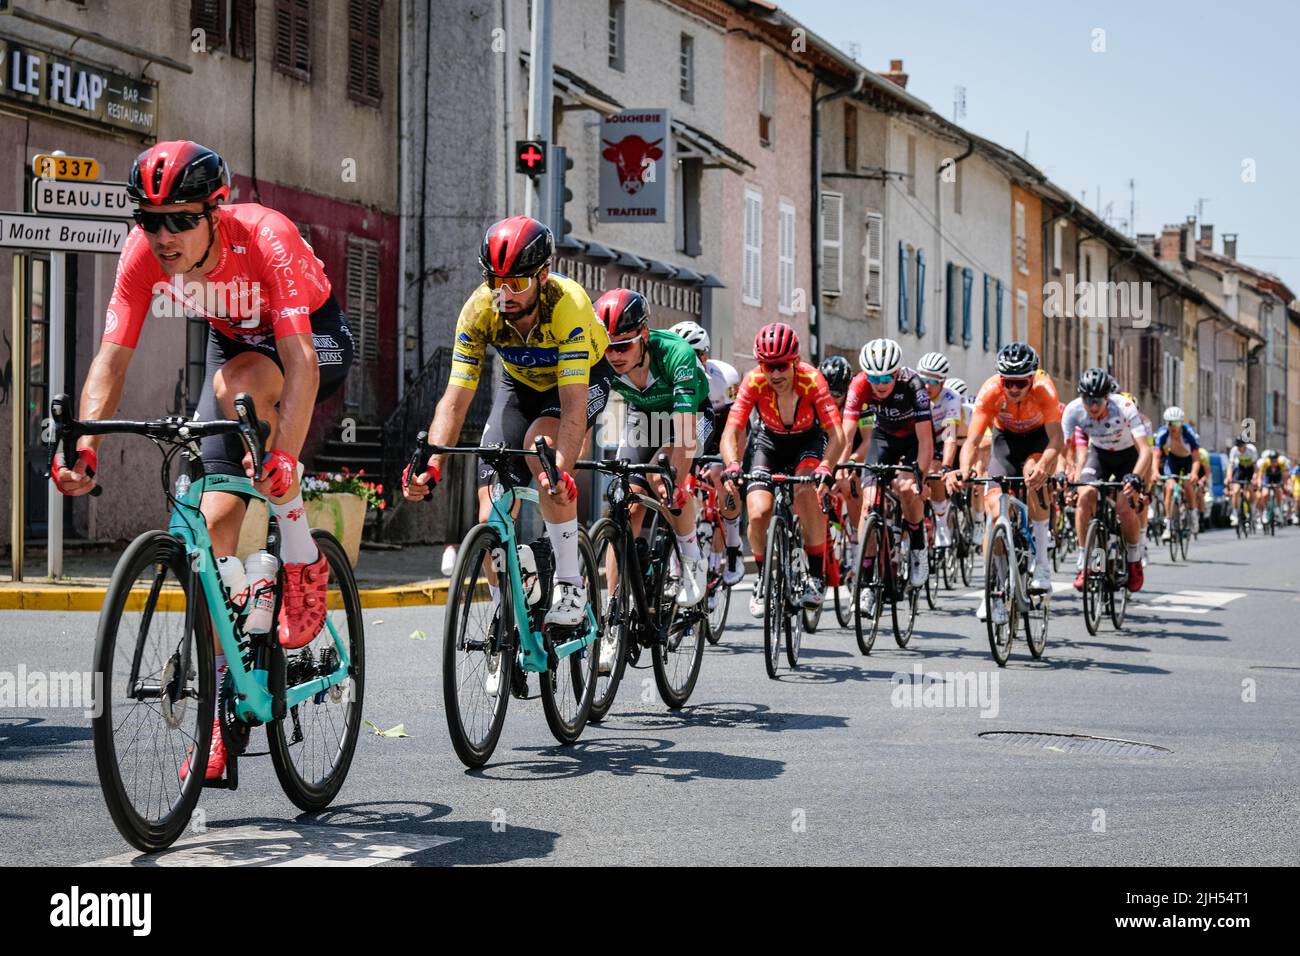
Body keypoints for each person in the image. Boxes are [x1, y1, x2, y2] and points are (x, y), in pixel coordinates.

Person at [51, 140, 356, 780]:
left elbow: (299, 360)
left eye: (181, 219)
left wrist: (288, 459)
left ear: (215, 212)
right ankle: (221, 702)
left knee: (240, 390)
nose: (163, 235)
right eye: (150, 219)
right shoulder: (142, 256)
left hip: (310, 339)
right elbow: (112, 359)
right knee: (212, 520)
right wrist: (85, 445)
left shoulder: (266, 235)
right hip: (235, 349)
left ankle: (299, 556)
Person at [404, 215, 611, 649]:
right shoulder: (480, 309)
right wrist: (433, 462)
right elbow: (455, 399)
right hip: (517, 386)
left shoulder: (568, 304)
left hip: (576, 384)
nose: (505, 293)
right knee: (490, 512)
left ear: (543, 276)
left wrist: (562, 472)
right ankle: (507, 612)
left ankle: (571, 583)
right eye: (496, 281)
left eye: (517, 283)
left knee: (544, 458)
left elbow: (574, 406)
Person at [597, 291, 710, 622]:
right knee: (625, 505)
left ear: (644, 334)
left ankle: (691, 558)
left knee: (663, 481)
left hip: (690, 417)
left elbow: (686, 433)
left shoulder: (677, 354)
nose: (613, 355)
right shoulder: (601, 357)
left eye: (623, 345)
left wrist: (675, 478)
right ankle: (614, 612)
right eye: (607, 346)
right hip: (642, 416)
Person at [720, 323, 843, 614]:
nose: (774, 374)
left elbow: (837, 433)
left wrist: (826, 466)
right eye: (768, 366)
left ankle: (814, 576)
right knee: (760, 511)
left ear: (795, 362)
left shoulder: (813, 380)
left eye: (781, 366)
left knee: (804, 492)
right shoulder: (753, 381)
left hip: (807, 443)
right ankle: (762, 578)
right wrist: (733, 465)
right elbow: (731, 431)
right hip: (769, 444)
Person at [956, 343, 1064, 621]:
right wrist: (964, 470)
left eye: (1020, 382)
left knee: (1032, 476)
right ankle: (995, 590)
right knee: (995, 513)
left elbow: (1056, 439)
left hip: (1037, 439)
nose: (1014, 388)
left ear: (1031, 378)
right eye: (1008, 382)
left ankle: (1041, 565)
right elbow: (972, 440)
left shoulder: (1044, 389)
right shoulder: (991, 390)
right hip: (1005, 441)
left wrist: (1043, 466)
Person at [844, 338, 934, 605]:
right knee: (868, 503)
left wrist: (920, 474)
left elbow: (927, 441)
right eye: (873, 377)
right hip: (883, 438)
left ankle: (918, 545)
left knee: (907, 489)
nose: (879, 383)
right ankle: (867, 576)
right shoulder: (859, 384)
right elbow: (846, 433)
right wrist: (838, 466)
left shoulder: (914, 386)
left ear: (896, 373)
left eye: (886, 377)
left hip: (913, 440)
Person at [669, 319, 745, 587]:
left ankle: (734, 545)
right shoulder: (671, 374)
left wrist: (733, 462)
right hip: (688, 428)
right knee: (675, 483)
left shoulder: (725, 378)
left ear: (705, 355)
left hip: (722, 429)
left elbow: (737, 426)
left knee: (719, 476)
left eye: (693, 355)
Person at [1060, 368, 1149, 592]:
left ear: (1107, 398)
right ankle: (1085, 563)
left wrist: (1135, 476)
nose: (1092, 406)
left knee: (1124, 507)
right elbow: (1062, 448)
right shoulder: (1073, 410)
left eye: (1097, 400)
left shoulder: (1125, 408)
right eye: (1088, 400)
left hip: (1128, 456)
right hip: (1099, 454)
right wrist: (1064, 471)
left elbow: (1146, 451)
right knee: (1085, 496)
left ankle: (1133, 559)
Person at [915, 352, 963, 548]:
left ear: (942, 382)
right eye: (923, 379)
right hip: (917, 438)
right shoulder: (913, 391)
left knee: (935, 473)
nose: (926, 386)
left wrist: (946, 466)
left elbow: (950, 435)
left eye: (932, 382)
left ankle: (941, 520)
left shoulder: (951, 397)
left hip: (940, 440)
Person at [1152, 406, 1202, 538]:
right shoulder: (1163, 433)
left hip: (1188, 460)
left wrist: (1194, 473)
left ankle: (1193, 514)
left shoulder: (1188, 433)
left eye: (1176, 423)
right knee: (1169, 487)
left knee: (1187, 484)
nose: (1173, 427)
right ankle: (1168, 525)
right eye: (1170, 423)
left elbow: (1196, 458)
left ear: (1181, 423)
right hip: (1173, 460)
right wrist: (1155, 472)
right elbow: (1156, 455)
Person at [1226, 435, 1258, 527]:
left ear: (1245, 445)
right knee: (1235, 490)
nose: (1240, 449)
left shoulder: (1252, 450)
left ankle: (1253, 511)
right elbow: (1230, 465)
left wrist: (1255, 478)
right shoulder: (1234, 450)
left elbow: (1255, 467)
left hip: (1250, 470)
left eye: (1242, 447)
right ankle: (1235, 514)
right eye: (1238, 447)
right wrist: (1228, 477)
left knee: (1250, 489)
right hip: (1241, 469)